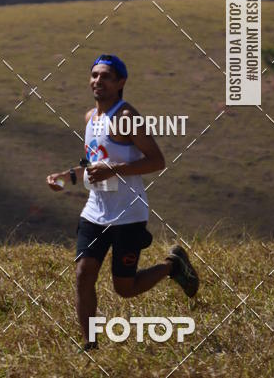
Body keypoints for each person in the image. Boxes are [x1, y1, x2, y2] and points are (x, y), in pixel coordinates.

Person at [47, 54, 199, 349]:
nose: (97, 81)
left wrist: (113, 170)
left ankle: (173, 266)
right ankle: (89, 345)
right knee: (83, 274)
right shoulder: (90, 118)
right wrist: (66, 177)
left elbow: (157, 161)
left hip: (128, 215)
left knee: (124, 289)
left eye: (105, 76)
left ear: (121, 83)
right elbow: (95, 166)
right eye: (94, 75)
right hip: (94, 212)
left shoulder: (126, 117)